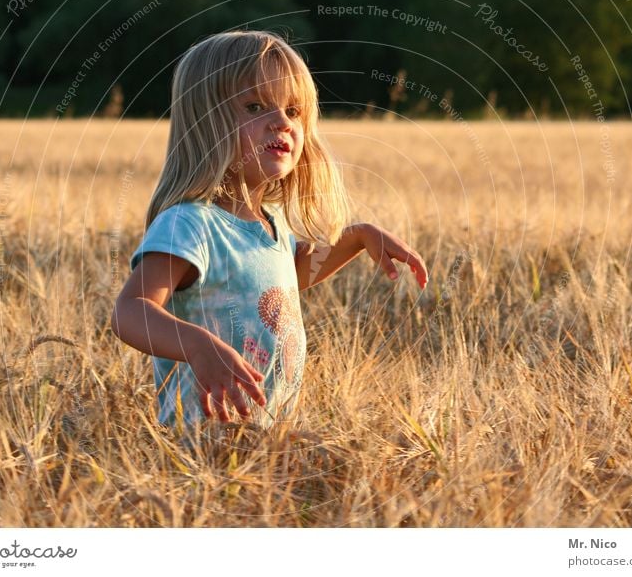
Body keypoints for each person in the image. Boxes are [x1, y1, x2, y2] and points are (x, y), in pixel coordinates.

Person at [111, 30, 428, 431]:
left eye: (293, 112)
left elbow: (283, 284)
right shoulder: (190, 224)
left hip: (266, 440)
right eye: (256, 106)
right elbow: (130, 313)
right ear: (206, 124)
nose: (280, 122)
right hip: (201, 442)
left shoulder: (272, 221)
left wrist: (358, 236)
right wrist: (196, 344)